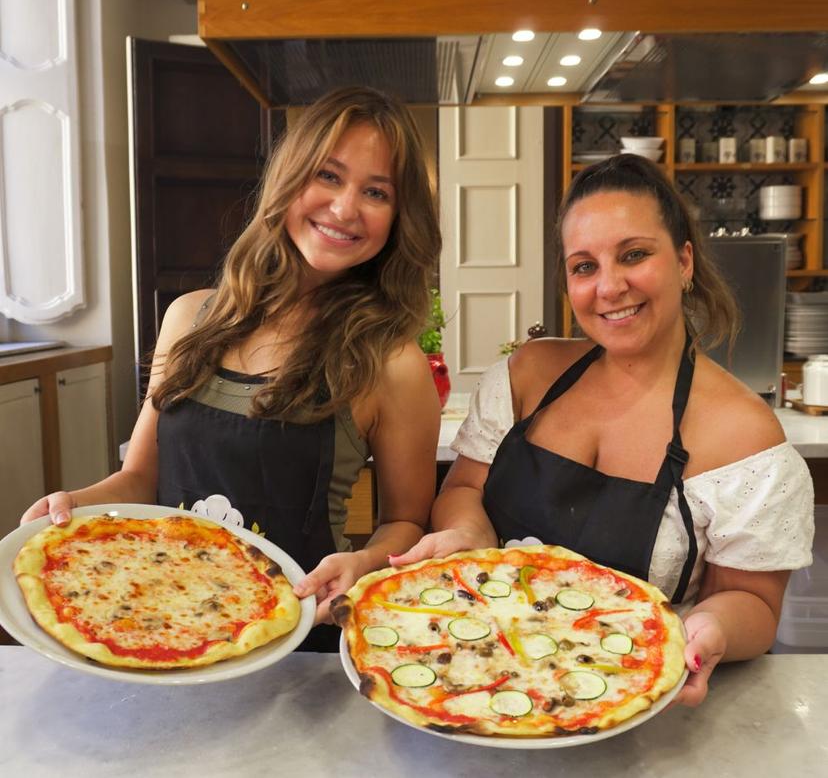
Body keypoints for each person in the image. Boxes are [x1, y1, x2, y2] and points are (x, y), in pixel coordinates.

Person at [21, 86, 443, 650]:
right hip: (152, 616)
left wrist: (365, 560)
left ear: (398, 217)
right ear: (288, 180)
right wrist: (75, 503)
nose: (345, 208)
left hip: (295, 632)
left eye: (376, 191)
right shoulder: (189, 317)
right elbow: (140, 477)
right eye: (328, 175)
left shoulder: (392, 362)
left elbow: (408, 525)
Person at [391, 153, 814, 704]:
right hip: (481, 681)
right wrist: (473, 537)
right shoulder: (527, 376)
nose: (609, 286)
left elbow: (753, 604)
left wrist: (710, 630)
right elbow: (465, 488)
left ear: (685, 261)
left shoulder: (744, 438)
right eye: (584, 266)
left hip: (637, 698)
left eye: (633, 255)